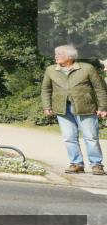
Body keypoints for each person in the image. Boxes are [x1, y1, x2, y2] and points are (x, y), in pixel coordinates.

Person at [42, 44, 107, 175]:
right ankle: (76, 164)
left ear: (70, 56)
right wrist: (47, 106)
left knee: (91, 137)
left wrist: (103, 107)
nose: (56, 56)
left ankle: (96, 165)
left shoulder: (87, 68)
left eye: (59, 54)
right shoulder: (51, 70)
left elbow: (100, 88)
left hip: (86, 107)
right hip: (62, 109)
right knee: (69, 137)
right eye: (56, 54)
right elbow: (46, 89)